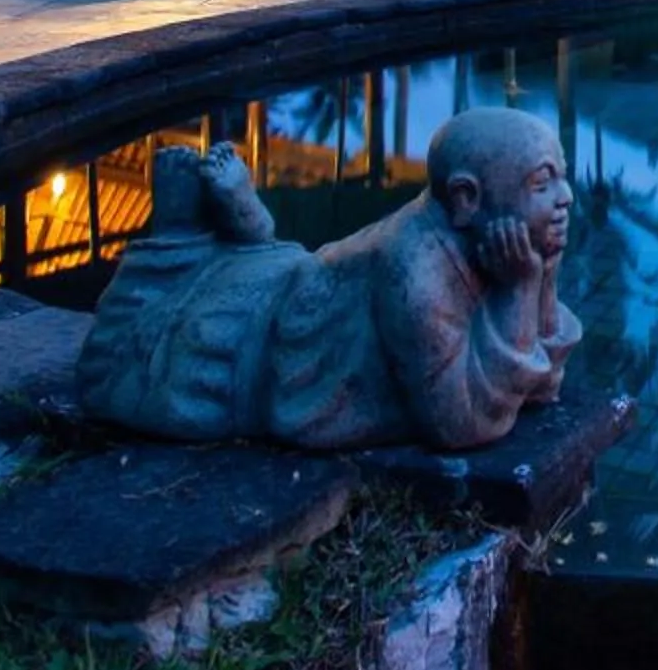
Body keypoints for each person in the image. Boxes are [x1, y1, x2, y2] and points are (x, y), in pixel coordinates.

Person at [77, 108, 581, 452]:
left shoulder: (499, 245)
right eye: (543, 184)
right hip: (269, 338)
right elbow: (461, 425)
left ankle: (250, 234)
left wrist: (537, 276)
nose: (566, 198)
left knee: (279, 268)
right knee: (154, 349)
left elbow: (543, 382)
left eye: (560, 176)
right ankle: (180, 234)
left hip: (305, 280)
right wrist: (519, 289)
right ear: (467, 199)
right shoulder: (417, 273)